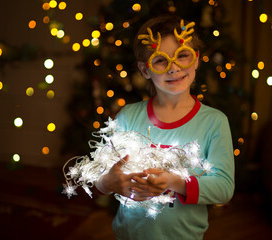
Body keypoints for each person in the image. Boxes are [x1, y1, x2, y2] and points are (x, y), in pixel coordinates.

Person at [95, 15, 235, 240]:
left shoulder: (214, 122)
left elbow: (224, 188)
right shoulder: (127, 118)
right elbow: (99, 175)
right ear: (145, 70)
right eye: (161, 60)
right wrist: (107, 182)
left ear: (196, 60)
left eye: (183, 56)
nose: (174, 68)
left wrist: (174, 182)